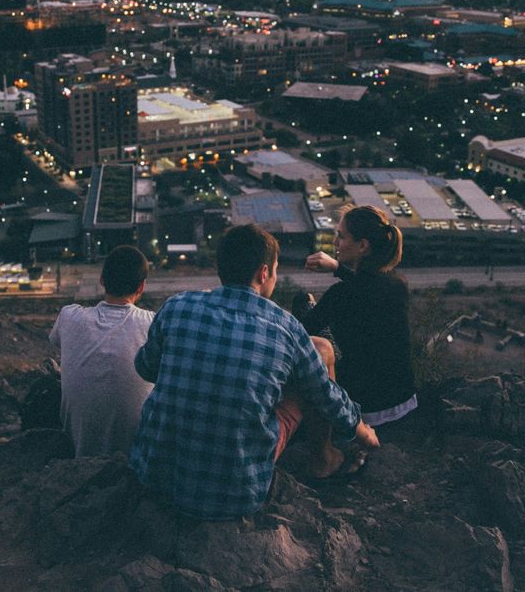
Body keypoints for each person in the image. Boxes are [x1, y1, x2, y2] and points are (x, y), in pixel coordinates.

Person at [129, 224, 380, 520]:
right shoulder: (286, 329)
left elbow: (145, 367)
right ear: (263, 273)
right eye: (274, 270)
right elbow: (325, 396)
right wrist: (362, 432)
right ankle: (324, 460)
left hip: (153, 477)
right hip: (235, 492)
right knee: (313, 369)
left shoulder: (177, 307)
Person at [301, 206, 418, 434]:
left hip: (364, 408)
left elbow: (301, 333)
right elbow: (365, 284)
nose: (335, 242)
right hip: (403, 398)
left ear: (363, 246)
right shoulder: (398, 284)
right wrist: (337, 267)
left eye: (341, 236)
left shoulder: (341, 295)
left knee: (303, 304)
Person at [50, 245, 154, 457]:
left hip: (79, 451)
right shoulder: (152, 324)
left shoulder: (69, 316)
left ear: (102, 280)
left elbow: (56, 341)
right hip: (134, 457)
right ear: (141, 287)